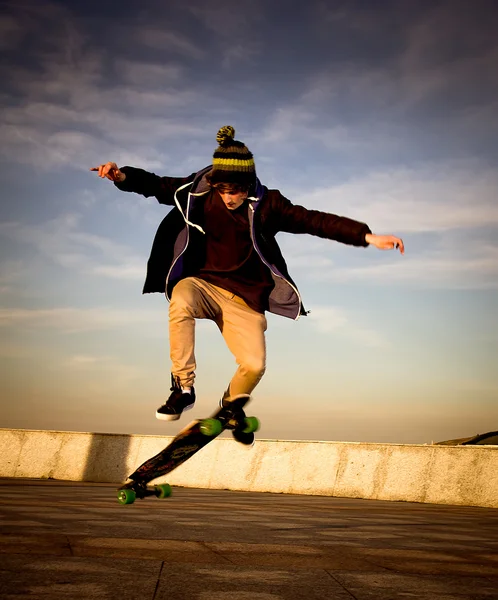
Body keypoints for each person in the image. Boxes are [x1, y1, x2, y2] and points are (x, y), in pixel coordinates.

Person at [91, 125, 404, 443]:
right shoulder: (198, 190)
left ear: (248, 184)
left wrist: (366, 236)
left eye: (235, 191)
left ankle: (231, 407)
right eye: (222, 190)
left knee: (253, 365)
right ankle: (183, 387)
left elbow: (315, 221)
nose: (228, 198)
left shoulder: (270, 205)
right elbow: (157, 186)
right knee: (180, 300)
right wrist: (122, 177)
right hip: (202, 285)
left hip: (244, 299)